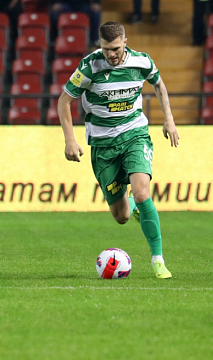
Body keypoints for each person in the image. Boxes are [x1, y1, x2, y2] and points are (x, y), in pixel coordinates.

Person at [57, 21, 179, 279]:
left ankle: (158, 259)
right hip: (103, 145)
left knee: (143, 192)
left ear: (125, 42)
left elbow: (158, 83)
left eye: (115, 48)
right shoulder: (89, 66)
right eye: (105, 49)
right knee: (121, 216)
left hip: (135, 134)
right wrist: (70, 140)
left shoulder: (141, 61)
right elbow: (64, 101)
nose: (110, 54)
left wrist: (169, 118)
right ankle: (131, 205)